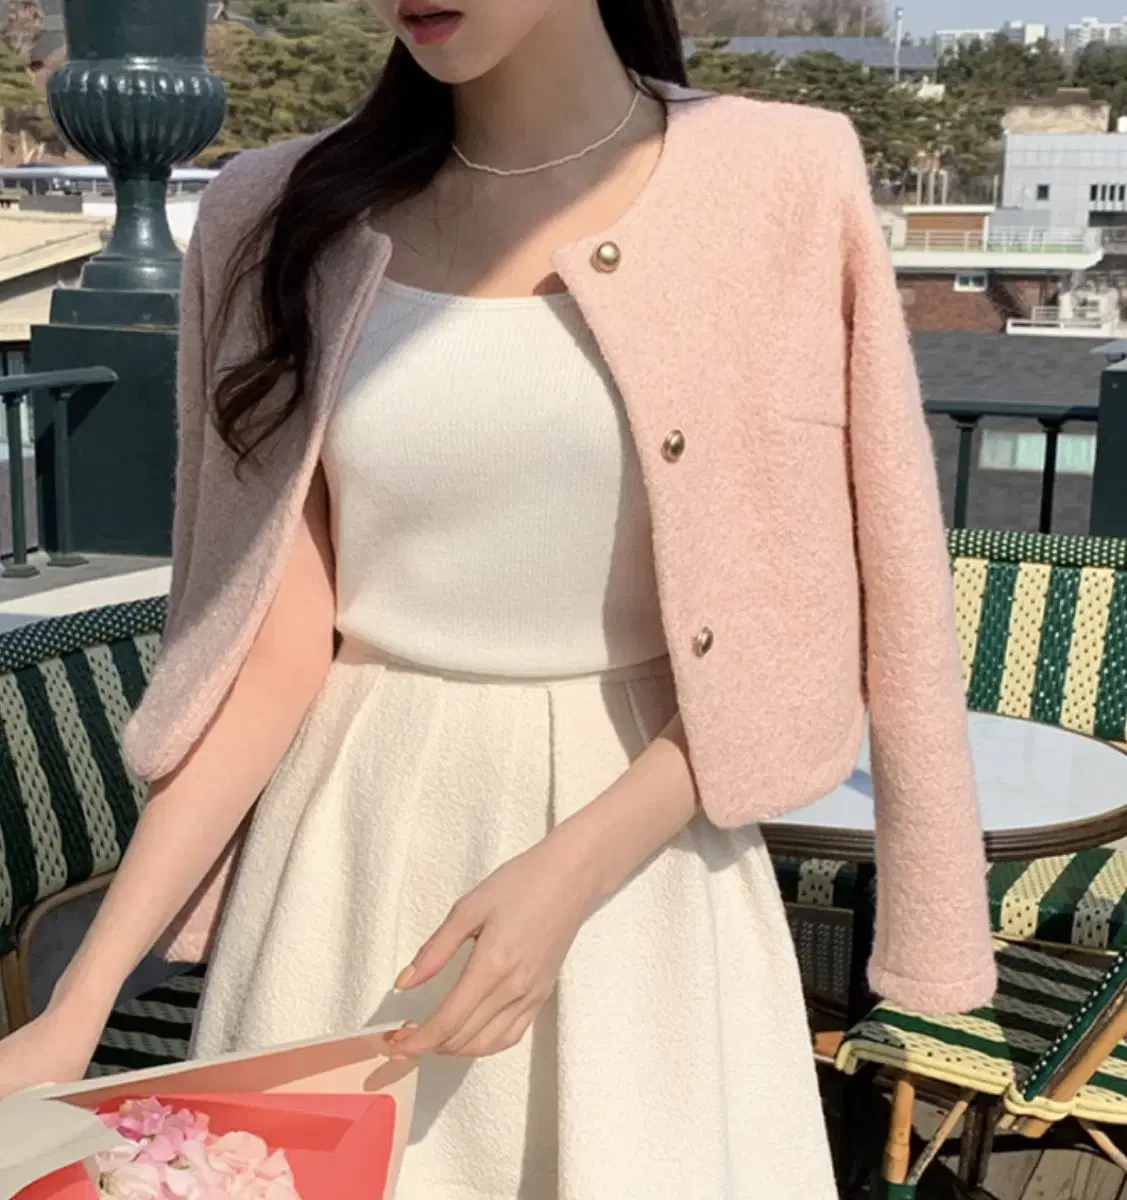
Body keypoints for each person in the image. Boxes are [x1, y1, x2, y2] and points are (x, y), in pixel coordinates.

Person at [0, 0, 998, 1196]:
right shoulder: (275, 211)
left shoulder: (778, 175)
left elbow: (795, 630)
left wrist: (564, 876)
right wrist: (78, 1007)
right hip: (341, 868)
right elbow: (265, 656)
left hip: (641, 877)